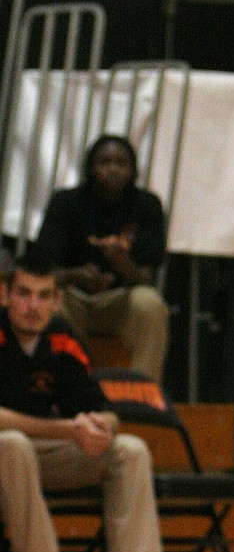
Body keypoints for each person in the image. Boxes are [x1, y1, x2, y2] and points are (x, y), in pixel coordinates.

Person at [0, 252, 193, 552]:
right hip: (9, 455)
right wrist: (68, 430)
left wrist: (99, 426)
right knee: (12, 443)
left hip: (43, 454)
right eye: (24, 294)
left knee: (129, 450)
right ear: (4, 295)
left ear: (56, 301)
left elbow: (101, 407)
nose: (33, 306)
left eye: (43, 296)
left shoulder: (61, 337)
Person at [35, 134, 171, 383]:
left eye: (122, 163)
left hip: (121, 299)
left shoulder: (147, 205)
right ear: (91, 168)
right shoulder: (66, 202)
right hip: (74, 297)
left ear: (132, 170)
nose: (113, 170)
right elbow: (43, 271)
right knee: (49, 300)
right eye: (105, 162)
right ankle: (60, 391)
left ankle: (142, 394)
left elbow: (147, 277)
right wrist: (77, 275)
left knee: (150, 304)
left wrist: (124, 265)